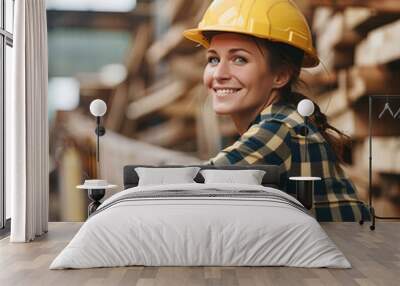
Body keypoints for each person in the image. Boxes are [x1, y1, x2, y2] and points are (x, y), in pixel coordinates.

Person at [183, 0, 369, 222]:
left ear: (280, 75)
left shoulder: (280, 129)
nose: (219, 73)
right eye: (213, 59)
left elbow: (185, 188)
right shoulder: (285, 120)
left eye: (239, 59)